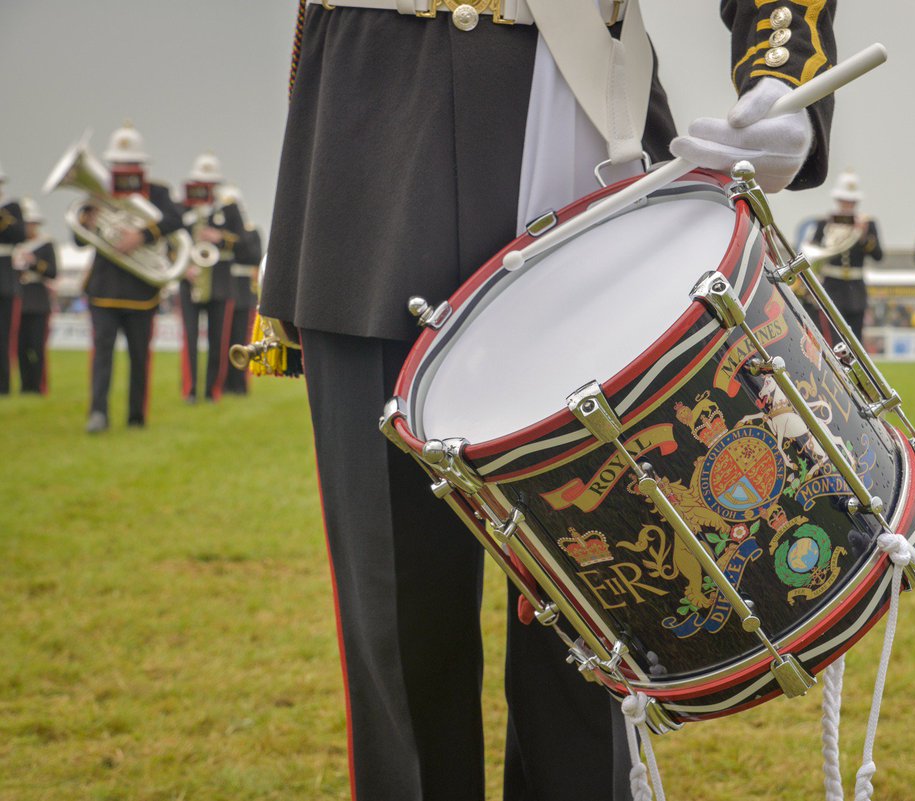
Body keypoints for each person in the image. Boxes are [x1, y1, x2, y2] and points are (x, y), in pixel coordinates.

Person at [258, 2, 836, 800]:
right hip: (372, 141)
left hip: (577, 108)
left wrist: (781, 69)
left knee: (600, 618)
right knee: (400, 622)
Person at [81, 122, 184, 433]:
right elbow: (78, 239)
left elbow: (176, 219)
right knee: (102, 358)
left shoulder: (159, 192)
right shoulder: (98, 193)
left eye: (130, 164)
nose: (124, 168)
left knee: (140, 359)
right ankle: (98, 413)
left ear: (141, 166)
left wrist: (141, 235)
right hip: (103, 288)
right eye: (119, 164)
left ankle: (136, 417)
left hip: (142, 290)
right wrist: (90, 218)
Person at [178, 153, 246, 403]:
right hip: (190, 281)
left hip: (220, 283)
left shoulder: (228, 208)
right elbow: (172, 242)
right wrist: (184, 268)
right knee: (190, 339)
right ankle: (190, 390)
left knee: (219, 341)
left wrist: (220, 238)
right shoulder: (183, 207)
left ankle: (212, 390)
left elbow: (244, 243)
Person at [802, 168, 883, 342]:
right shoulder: (824, 222)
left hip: (856, 289)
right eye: (845, 200)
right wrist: (828, 233)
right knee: (833, 340)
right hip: (832, 287)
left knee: (855, 342)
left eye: (851, 201)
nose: (848, 204)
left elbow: (878, 256)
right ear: (838, 200)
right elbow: (813, 252)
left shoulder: (868, 223)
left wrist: (863, 236)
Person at [13, 198, 57, 395]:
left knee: (37, 347)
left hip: (38, 301)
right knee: (20, 347)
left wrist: (33, 262)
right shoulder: (14, 246)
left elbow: (52, 272)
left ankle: (40, 386)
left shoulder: (45, 245)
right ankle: (25, 386)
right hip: (19, 299)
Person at [220, 185, 262, 396]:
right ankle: (223, 383)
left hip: (244, 290)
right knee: (223, 339)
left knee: (242, 338)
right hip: (225, 285)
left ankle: (240, 384)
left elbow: (253, 256)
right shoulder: (221, 232)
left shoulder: (250, 230)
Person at [0, 161, 27, 395]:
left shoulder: (11, 207)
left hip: (4, 273)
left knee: (3, 335)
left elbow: (19, 234)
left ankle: (3, 385)